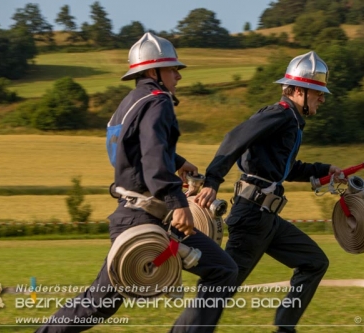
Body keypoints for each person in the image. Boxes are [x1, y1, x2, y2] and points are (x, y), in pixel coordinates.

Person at [36, 32, 237, 333]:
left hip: (133, 215)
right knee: (223, 271)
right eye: (173, 69)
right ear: (153, 71)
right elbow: (153, 153)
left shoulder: (129, 103)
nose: (178, 76)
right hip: (147, 217)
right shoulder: (159, 102)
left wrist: (177, 161)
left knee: (98, 303)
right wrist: (177, 201)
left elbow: (128, 151)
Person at [195, 51, 346, 333]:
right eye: (318, 92)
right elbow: (234, 138)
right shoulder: (279, 114)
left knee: (314, 263)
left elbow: (284, 169)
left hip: (268, 219)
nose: (322, 99)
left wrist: (326, 170)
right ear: (299, 91)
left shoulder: (290, 122)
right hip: (252, 217)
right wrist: (212, 179)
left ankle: (284, 328)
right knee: (221, 286)